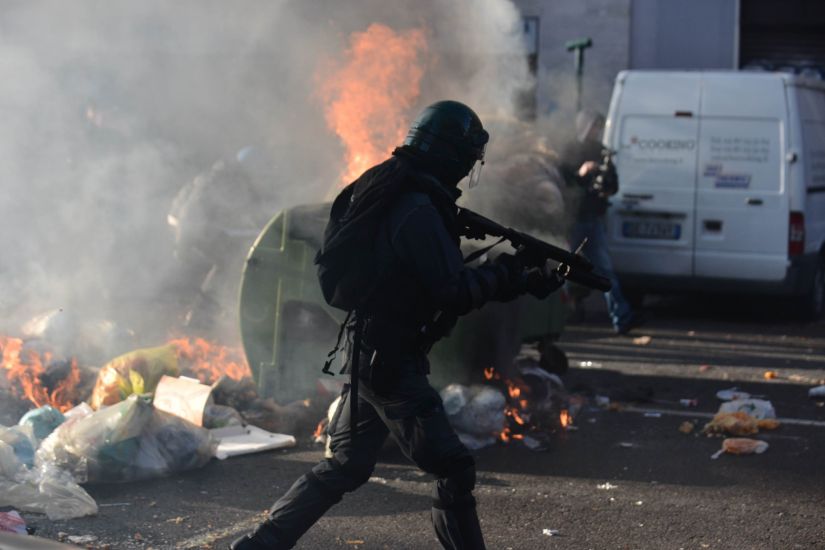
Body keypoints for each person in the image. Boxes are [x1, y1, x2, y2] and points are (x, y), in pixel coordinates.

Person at [230, 101, 565, 550]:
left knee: (344, 466)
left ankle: (258, 545)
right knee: (454, 468)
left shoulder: (388, 187)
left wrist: (513, 276)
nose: (467, 171)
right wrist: (510, 275)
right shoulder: (417, 208)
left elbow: (431, 279)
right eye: (466, 159)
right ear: (451, 155)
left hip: (369, 353)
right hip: (391, 364)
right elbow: (452, 290)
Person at [559, 109, 643, 335]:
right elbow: (561, 182)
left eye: (599, 127)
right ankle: (558, 316)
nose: (596, 131)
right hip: (574, 219)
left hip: (593, 220)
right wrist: (581, 173)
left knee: (605, 270)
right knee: (562, 268)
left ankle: (622, 317)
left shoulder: (601, 152)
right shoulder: (569, 151)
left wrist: (605, 185)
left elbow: (612, 184)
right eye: (593, 126)